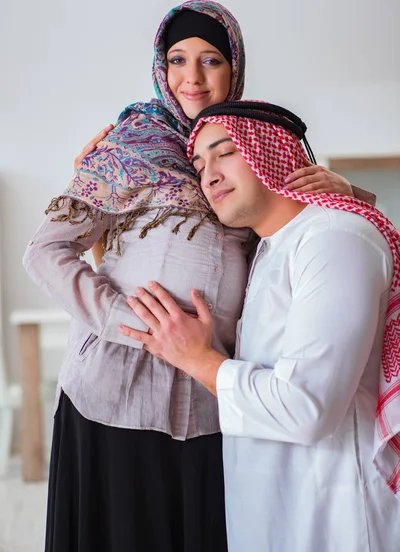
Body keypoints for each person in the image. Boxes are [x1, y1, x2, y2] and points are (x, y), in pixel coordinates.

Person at [24, 0, 373, 550]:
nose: (193, 77)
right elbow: (45, 251)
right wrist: (139, 329)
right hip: (116, 401)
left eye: (211, 60)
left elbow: (309, 241)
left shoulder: (252, 151)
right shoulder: (124, 148)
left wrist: (349, 193)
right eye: (177, 59)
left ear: (234, 67)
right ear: (160, 68)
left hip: (220, 405)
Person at [120, 100, 400, 552]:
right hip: (280, 505)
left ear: (275, 154)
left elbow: (305, 408)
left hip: (336, 520)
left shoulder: (333, 239)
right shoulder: (273, 248)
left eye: (224, 152)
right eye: (199, 162)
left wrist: (199, 360)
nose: (208, 174)